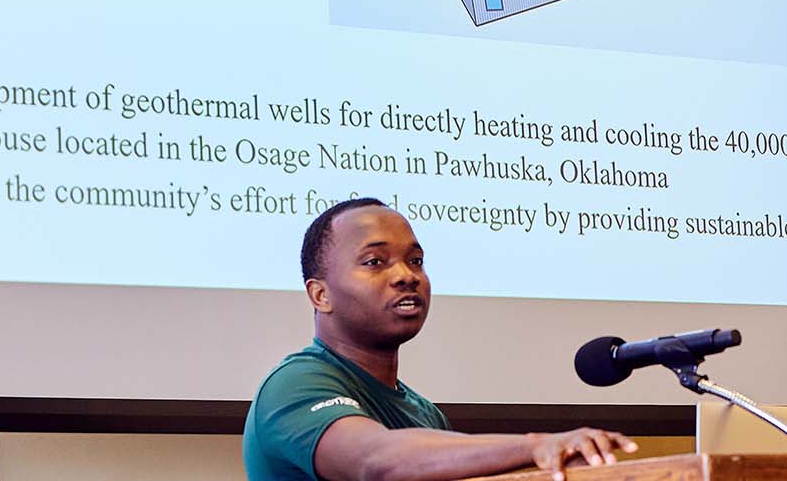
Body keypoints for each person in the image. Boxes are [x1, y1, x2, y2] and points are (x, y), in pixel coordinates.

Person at [243, 197, 637, 481]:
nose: (406, 275)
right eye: (375, 262)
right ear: (320, 295)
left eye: (415, 260)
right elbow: (374, 461)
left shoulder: (425, 415)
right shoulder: (296, 385)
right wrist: (537, 445)